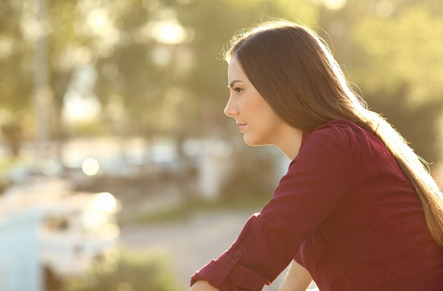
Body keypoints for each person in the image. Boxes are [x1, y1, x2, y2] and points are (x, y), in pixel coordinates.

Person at [188, 20, 443, 291]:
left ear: (280, 86)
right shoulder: (332, 155)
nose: (229, 109)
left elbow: (263, 242)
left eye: (238, 89)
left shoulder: (333, 147)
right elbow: (298, 267)